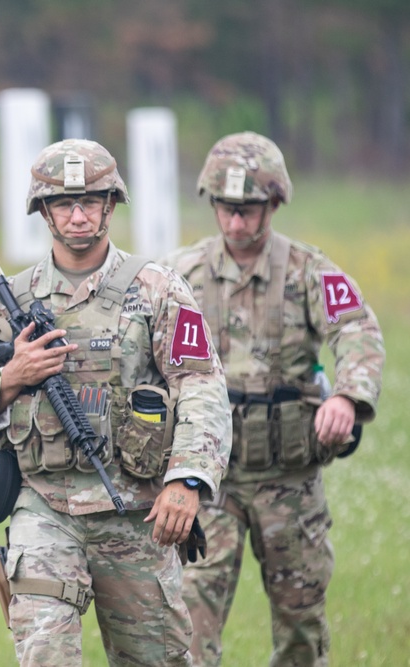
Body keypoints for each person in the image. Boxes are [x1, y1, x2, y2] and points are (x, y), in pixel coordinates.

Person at [0, 138, 231, 666]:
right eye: (63, 204)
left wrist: (186, 481)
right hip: (44, 506)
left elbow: (202, 387)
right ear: (43, 211)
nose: (77, 216)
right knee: (45, 653)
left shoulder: (158, 290)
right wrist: (10, 378)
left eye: (90, 202)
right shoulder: (9, 298)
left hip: (137, 510)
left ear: (111, 205)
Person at [162, 131, 385, 666]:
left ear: (275, 204)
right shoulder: (179, 275)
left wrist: (348, 398)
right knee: (188, 624)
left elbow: (356, 329)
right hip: (209, 482)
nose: (237, 223)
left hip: (289, 482)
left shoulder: (309, 271)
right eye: (227, 209)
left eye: (250, 210)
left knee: (301, 625)